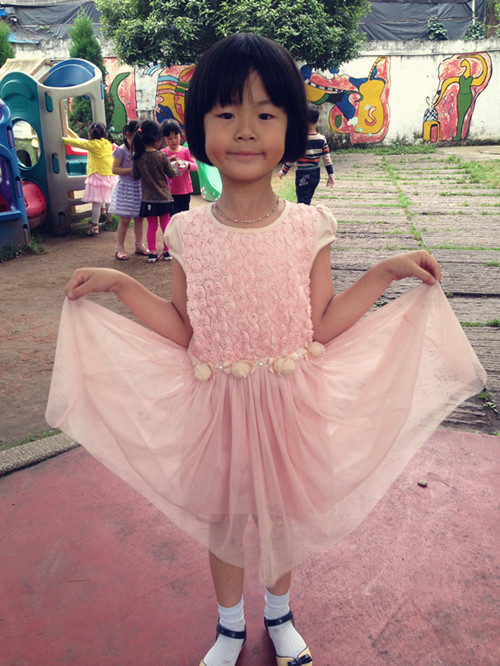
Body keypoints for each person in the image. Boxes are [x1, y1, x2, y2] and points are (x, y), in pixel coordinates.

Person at [46, 34, 486, 666]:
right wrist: (119, 284)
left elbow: (322, 324)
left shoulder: (309, 225)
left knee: (280, 517)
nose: (246, 130)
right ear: (199, 128)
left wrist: (385, 272)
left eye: (266, 114)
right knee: (225, 520)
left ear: (291, 128)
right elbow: (185, 329)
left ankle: (279, 616)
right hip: (216, 407)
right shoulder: (187, 230)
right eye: (226, 113)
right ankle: (230, 627)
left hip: (290, 403)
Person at [132, 119, 177, 262]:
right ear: (156, 139)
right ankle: (167, 252)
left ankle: (152, 253)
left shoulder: (137, 158)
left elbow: (135, 176)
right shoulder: (161, 156)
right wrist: (175, 166)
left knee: (151, 226)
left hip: (148, 199)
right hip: (164, 197)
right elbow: (171, 174)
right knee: (165, 225)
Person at [62, 122, 116, 236]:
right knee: (107, 198)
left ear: (91, 134)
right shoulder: (107, 143)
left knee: (96, 202)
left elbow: (78, 142)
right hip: (108, 175)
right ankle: (110, 219)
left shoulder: (92, 144)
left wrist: (62, 139)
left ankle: (94, 226)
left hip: (97, 175)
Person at [279, 102, 335, 205]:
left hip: (303, 174)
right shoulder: (321, 139)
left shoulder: (300, 139)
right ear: (317, 121)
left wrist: (284, 170)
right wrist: (330, 175)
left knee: (302, 202)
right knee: (307, 199)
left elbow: (292, 157)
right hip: (315, 174)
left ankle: (305, 214)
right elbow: (327, 159)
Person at [109, 120, 148, 260]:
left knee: (139, 218)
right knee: (125, 219)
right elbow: (114, 169)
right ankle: (120, 246)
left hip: (139, 188)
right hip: (126, 189)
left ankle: (139, 244)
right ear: (127, 135)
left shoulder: (141, 149)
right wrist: (133, 170)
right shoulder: (121, 150)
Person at [161, 119, 198, 214]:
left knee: (184, 214)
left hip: (185, 191)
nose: (173, 141)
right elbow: (160, 169)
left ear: (180, 135)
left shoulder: (185, 151)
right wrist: (168, 163)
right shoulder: (163, 153)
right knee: (172, 216)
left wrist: (188, 164)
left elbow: (195, 166)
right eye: (169, 138)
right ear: (164, 139)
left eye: (176, 137)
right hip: (169, 191)